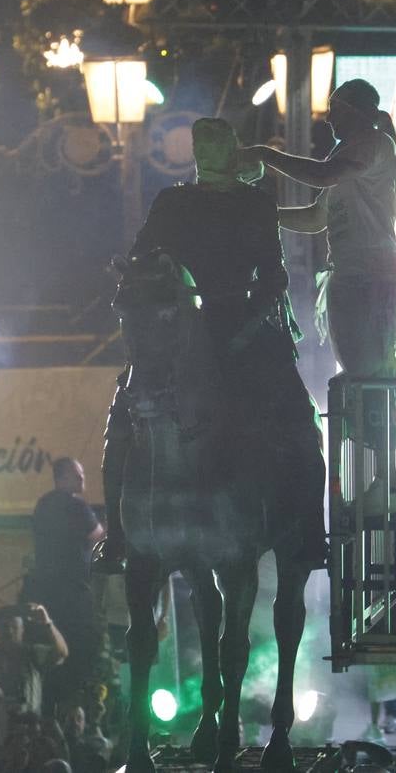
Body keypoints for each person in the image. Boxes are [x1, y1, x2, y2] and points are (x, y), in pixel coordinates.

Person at [95, 116, 327, 571]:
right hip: (176, 330)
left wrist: (253, 313)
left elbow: (273, 271)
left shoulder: (255, 203)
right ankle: (118, 537)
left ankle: (310, 531)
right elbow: (143, 257)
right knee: (123, 422)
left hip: (246, 330)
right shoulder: (173, 202)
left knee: (302, 422)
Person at [247, 78, 396, 450]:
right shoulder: (347, 153)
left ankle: (383, 465)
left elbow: (322, 176)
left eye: (334, 110)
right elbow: (315, 219)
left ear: (353, 111)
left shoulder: (372, 143)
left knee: (369, 371)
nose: (328, 120)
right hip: (350, 272)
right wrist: (261, 211)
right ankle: (373, 461)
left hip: (370, 274)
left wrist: (265, 155)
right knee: (355, 367)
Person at [26, 458, 103, 716]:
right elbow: (97, 535)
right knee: (81, 653)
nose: (83, 479)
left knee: (51, 656)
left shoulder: (42, 505)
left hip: (47, 595)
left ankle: (49, 711)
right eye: (78, 474)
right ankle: (77, 710)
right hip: (74, 594)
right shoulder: (76, 506)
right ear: (64, 477)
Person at [0, 604, 68, 740]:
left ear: (22, 630)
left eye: (14, 627)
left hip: (29, 730)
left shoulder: (32, 653)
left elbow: (61, 653)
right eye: (5, 627)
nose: (9, 631)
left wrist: (47, 623)